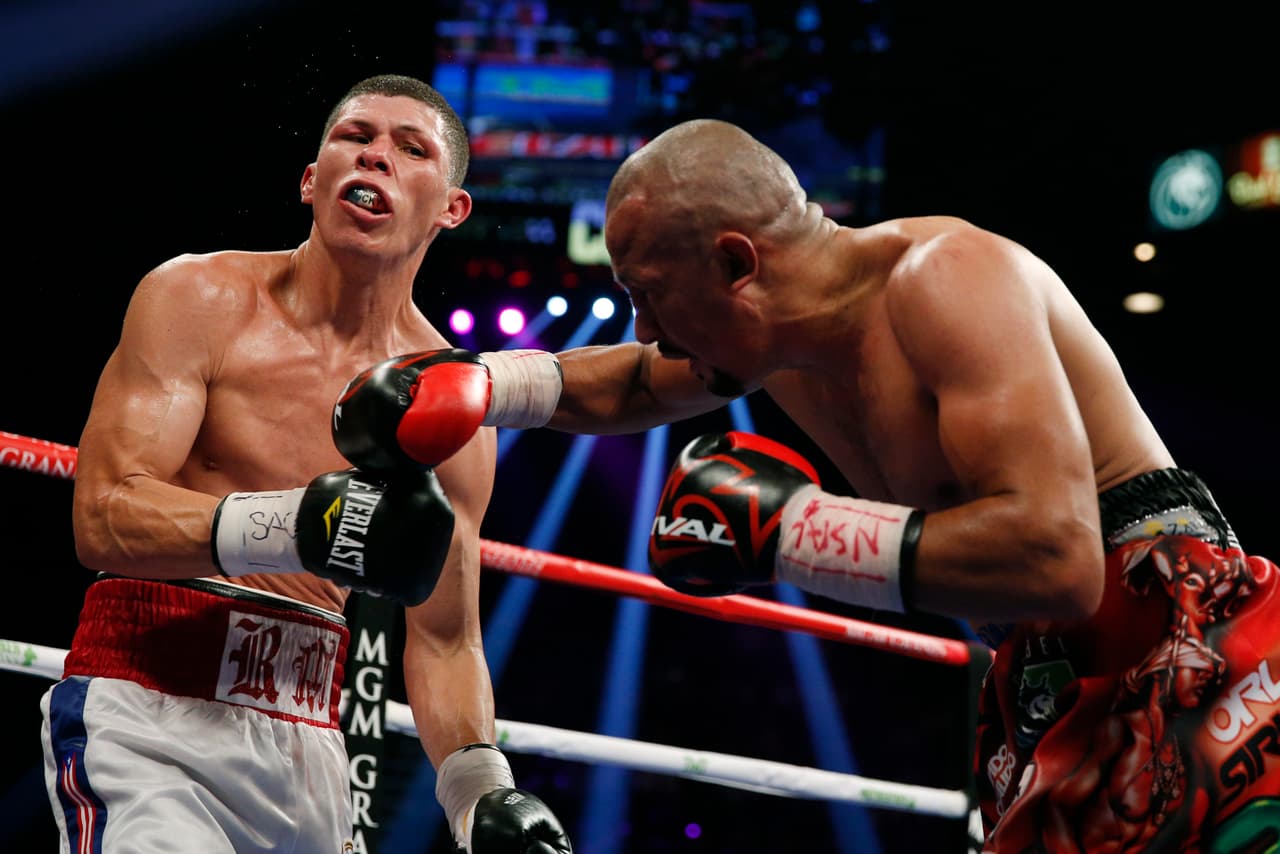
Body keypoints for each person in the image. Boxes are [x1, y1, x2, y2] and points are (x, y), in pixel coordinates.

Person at [339, 118, 1280, 851]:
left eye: (650, 291)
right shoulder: (773, 340)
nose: (645, 322)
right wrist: (470, 382)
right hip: (1041, 670)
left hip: (1179, 636)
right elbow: (629, 378)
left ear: (738, 263)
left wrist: (794, 535)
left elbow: (1059, 561)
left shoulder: (947, 281)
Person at [42, 73, 571, 853]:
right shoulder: (197, 298)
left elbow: (443, 638)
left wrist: (478, 791)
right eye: (355, 138)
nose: (376, 157)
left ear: (452, 209)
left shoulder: (451, 404)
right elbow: (103, 516)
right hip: (149, 714)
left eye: (410, 148)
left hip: (309, 745)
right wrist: (294, 526)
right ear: (311, 179)